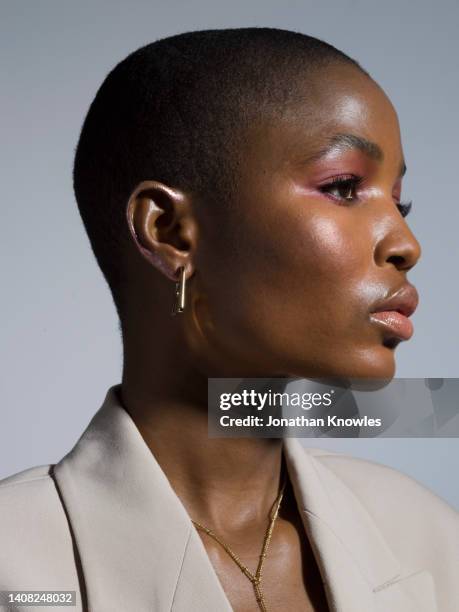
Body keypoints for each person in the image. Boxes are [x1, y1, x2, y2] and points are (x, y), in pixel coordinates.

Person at [0, 27, 457, 612]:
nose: (406, 243)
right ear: (171, 234)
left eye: (401, 200)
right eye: (344, 187)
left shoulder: (429, 539)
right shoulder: (19, 570)